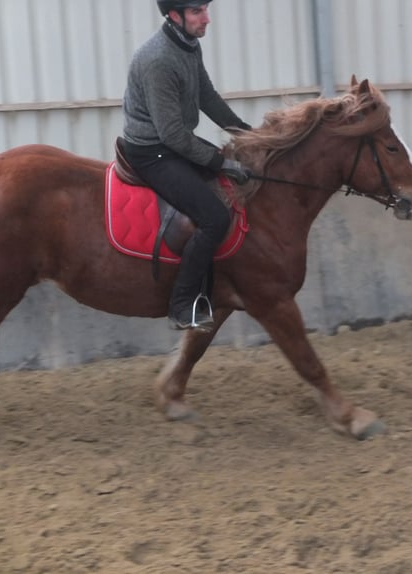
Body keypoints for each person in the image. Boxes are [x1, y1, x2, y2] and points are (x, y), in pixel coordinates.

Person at [119, 0, 252, 332]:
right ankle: (182, 305)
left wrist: (246, 134)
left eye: (206, 9)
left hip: (171, 144)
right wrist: (220, 162)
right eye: (197, 11)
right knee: (214, 217)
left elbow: (206, 97)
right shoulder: (158, 60)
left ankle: (214, 285)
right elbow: (174, 135)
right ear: (174, 15)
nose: (207, 18)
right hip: (152, 151)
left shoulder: (188, 45)